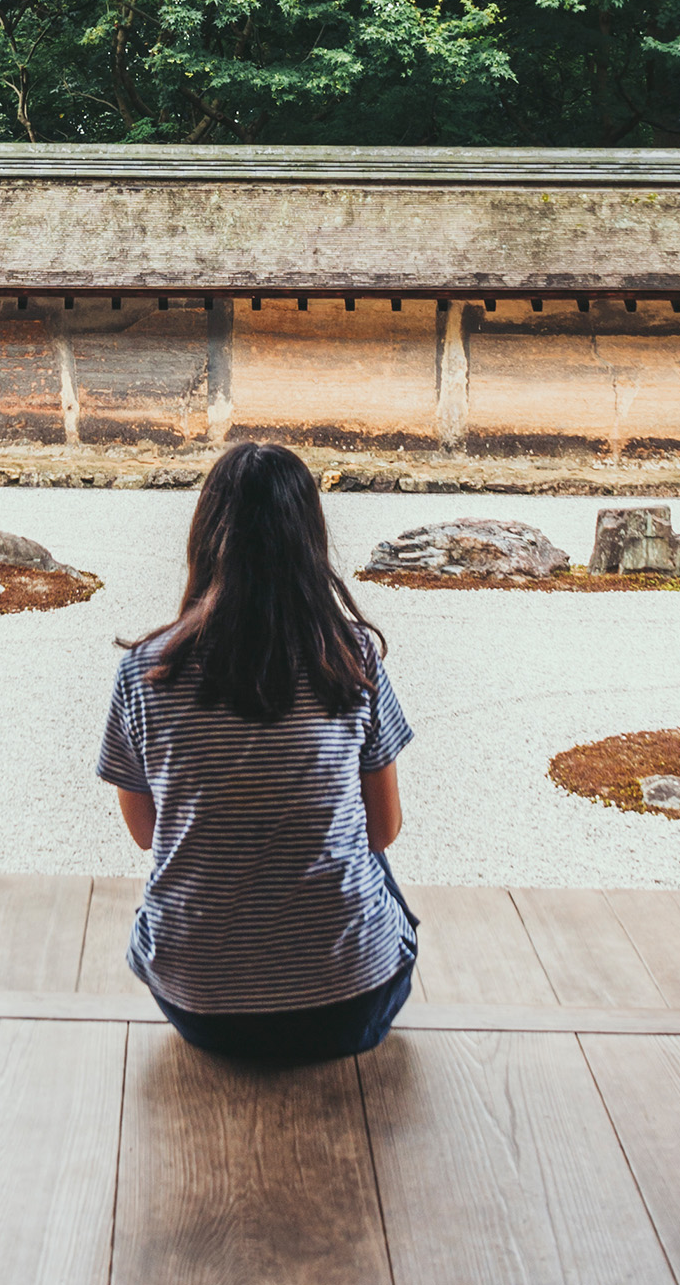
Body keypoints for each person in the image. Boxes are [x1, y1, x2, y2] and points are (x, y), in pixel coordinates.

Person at [96, 438, 416, 1067]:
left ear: (206, 537)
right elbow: (384, 828)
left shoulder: (145, 672)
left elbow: (146, 834)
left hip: (199, 1003)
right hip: (350, 1003)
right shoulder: (350, 659)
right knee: (367, 864)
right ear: (310, 543)